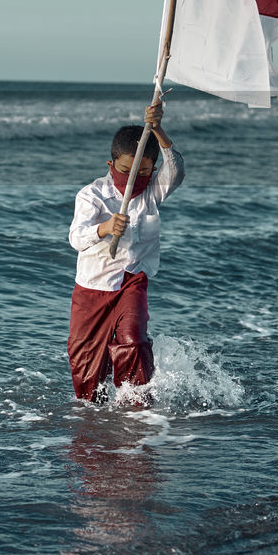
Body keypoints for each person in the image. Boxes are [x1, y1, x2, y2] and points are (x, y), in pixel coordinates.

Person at [67, 100, 183, 402]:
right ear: (111, 166)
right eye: (125, 170)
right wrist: (104, 228)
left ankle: (138, 409)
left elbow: (177, 170)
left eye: (143, 171)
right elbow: (77, 238)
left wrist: (157, 129)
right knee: (86, 373)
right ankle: (96, 418)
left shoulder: (152, 194)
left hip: (132, 281)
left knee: (133, 340)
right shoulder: (92, 196)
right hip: (92, 288)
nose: (133, 178)